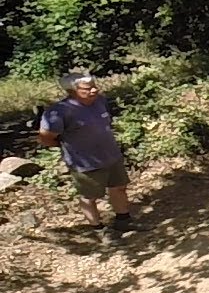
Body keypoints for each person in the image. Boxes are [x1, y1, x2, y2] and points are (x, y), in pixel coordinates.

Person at [37, 72, 146, 236]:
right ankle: (98, 229)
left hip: (111, 155)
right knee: (89, 197)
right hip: (85, 163)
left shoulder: (100, 101)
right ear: (72, 91)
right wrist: (68, 147)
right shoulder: (59, 112)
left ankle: (123, 220)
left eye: (95, 86)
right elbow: (46, 137)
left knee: (119, 188)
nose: (94, 90)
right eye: (88, 88)